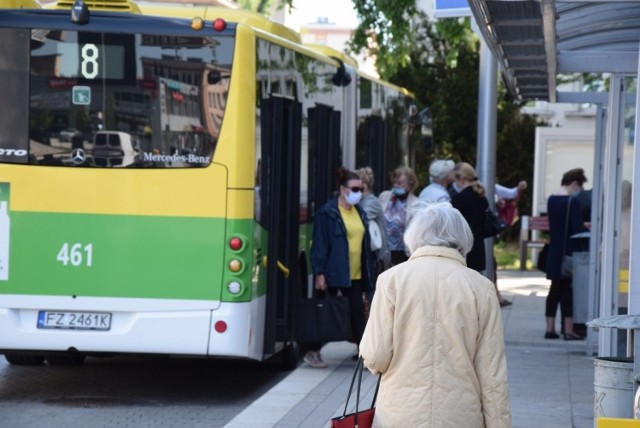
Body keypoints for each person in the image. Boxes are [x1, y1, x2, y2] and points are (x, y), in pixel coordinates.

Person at [359, 202, 512, 427]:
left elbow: (375, 356)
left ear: (415, 236)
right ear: (463, 238)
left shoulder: (391, 281)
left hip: (400, 415)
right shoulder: (481, 288)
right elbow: (492, 375)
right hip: (460, 416)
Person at [306, 167, 375, 368]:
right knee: (326, 312)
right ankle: (313, 351)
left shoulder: (359, 212)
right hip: (334, 272)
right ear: (342, 189)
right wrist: (319, 272)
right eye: (354, 189)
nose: (358, 193)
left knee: (357, 313)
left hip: (356, 273)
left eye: (361, 189)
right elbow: (319, 245)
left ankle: (365, 354)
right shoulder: (327, 213)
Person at [543, 168, 589, 340]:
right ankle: (568, 330)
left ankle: (550, 328)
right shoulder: (573, 202)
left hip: (555, 252)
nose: (579, 191)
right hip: (569, 253)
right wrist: (587, 226)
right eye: (579, 187)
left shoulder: (552, 200)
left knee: (554, 290)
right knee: (568, 292)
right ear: (575, 183)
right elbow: (576, 229)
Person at [450, 162, 490, 273]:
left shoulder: (458, 199)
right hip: (479, 246)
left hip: (464, 248)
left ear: (461, 179)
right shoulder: (481, 197)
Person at [378, 166, 419, 265]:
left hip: (402, 253)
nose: (396, 185)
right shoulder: (384, 196)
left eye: (400, 183)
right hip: (382, 250)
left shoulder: (415, 203)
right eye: (394, 182)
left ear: (410, 184)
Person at [355, 166, 391, 272]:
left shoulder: (371, 202)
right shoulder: (361, 200)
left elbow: (360, 220)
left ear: (364, 185)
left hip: (377, 258)